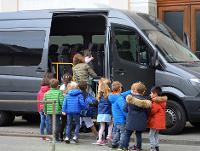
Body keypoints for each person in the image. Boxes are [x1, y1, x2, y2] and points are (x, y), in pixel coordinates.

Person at [120, 82, 149, 151]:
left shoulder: (130, 99)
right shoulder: (145, 101)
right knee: (138, 134)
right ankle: (138, 148)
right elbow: (148, 111)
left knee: (127, 134)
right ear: (143, 91)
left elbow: (125, 109)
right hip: (141, 120)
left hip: (131, 120)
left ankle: (125, 147)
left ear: (135, 90)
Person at [108, 81, 127, 149]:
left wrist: (131, 91)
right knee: (123, 133)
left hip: (116, 118)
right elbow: (124, 109)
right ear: (120, 89)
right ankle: (121, 146)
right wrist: (127, 117)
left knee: (117, 131)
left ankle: (114, 143)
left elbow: (123, 94)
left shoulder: (112, 97)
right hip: (121, 119)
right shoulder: (120, 98)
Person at [148, 86, 167, 151]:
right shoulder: (162, 102)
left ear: (155, 94)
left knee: (151, 135)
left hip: (155, 121)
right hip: (160, 122)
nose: (150, 94)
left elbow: (152, 111)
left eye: (151, 93)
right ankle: (156, 146)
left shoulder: (155, 102)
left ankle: (152, 147)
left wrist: (148, 111)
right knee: (156, 134)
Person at [37, 72, 53, 140]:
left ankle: (42, 135)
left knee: (42, 121)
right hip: (46, 108)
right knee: (47, 122)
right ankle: (48, 136)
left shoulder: (40, 91)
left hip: (40, 108)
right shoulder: (49, 90)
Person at [59, 73, 72, 141]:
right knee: (69, 122)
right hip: (70, 107)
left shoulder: (61, 87)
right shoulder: (72, 87)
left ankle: (61, 136)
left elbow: (61, 97)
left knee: (63, 122)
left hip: (63, 107)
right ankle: (68, 135)